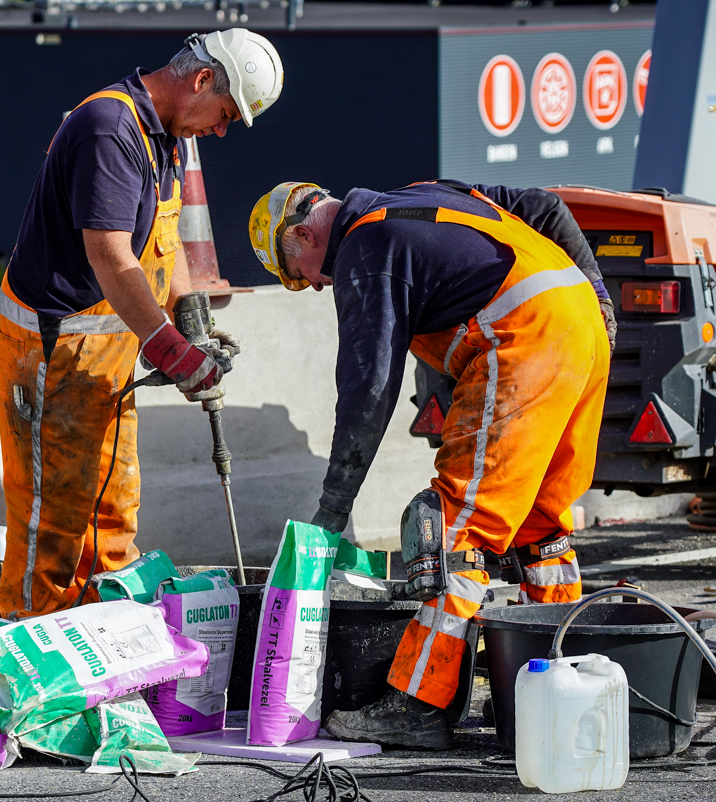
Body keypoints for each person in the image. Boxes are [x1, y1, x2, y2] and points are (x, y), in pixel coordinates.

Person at [246, 179, 615, 748]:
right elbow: (545, 207)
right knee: (540, 527)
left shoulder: (365, 253)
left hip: (519, 341)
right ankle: (563, 680)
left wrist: (332, 510)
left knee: (453, 529)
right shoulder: (422, 194)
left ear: (302, 233)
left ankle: (419, 704)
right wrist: (599, 297)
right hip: (583, 328)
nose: (317, 287)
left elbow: (367, 391)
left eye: (302, 275)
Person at [0, 30, 284, 617]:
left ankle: (103, 644)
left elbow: (160, 244)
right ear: (202, 80)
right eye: (225, 114)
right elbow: (110, 255)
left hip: (102, 357)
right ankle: (28, 656)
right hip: (54, 355)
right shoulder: (109, 128)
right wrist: (173, 351)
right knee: (54, 526)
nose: (221, 130)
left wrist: (190, 318)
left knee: (112, 514)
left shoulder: (164, 137)